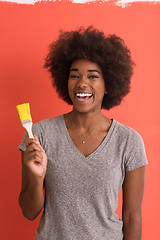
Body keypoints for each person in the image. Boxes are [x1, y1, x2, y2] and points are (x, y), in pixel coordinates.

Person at [18, 26, 148, 240]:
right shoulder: (39, 135)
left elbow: (133, 217)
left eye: (93, 76)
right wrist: (36, 176)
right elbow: (29, 212)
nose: (82, 83)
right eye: (74, 76)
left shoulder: (128, 141)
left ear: (108, 85)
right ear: (65, 81)